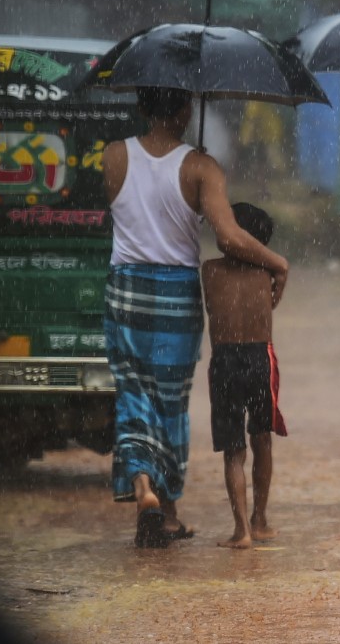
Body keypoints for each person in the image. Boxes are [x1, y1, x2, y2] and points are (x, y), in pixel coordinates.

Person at [102, 86, 289, 549]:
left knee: (133, 393)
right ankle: (167, 511)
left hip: (125, 289)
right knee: (171, 401)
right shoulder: (202, 167)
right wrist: (277, 262)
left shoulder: (112, 156)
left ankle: (142, 485)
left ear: (143, 106)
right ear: (186, 109)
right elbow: (228, 237)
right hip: (176, 295)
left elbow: (126, 212)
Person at [202, 203, 288, 549]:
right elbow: (273, 304)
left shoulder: (208, 270)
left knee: (233, 451)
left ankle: (242, 531)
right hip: (259, 357)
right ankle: (261, 519)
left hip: (224, 360)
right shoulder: (268, 273)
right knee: (262, 438)